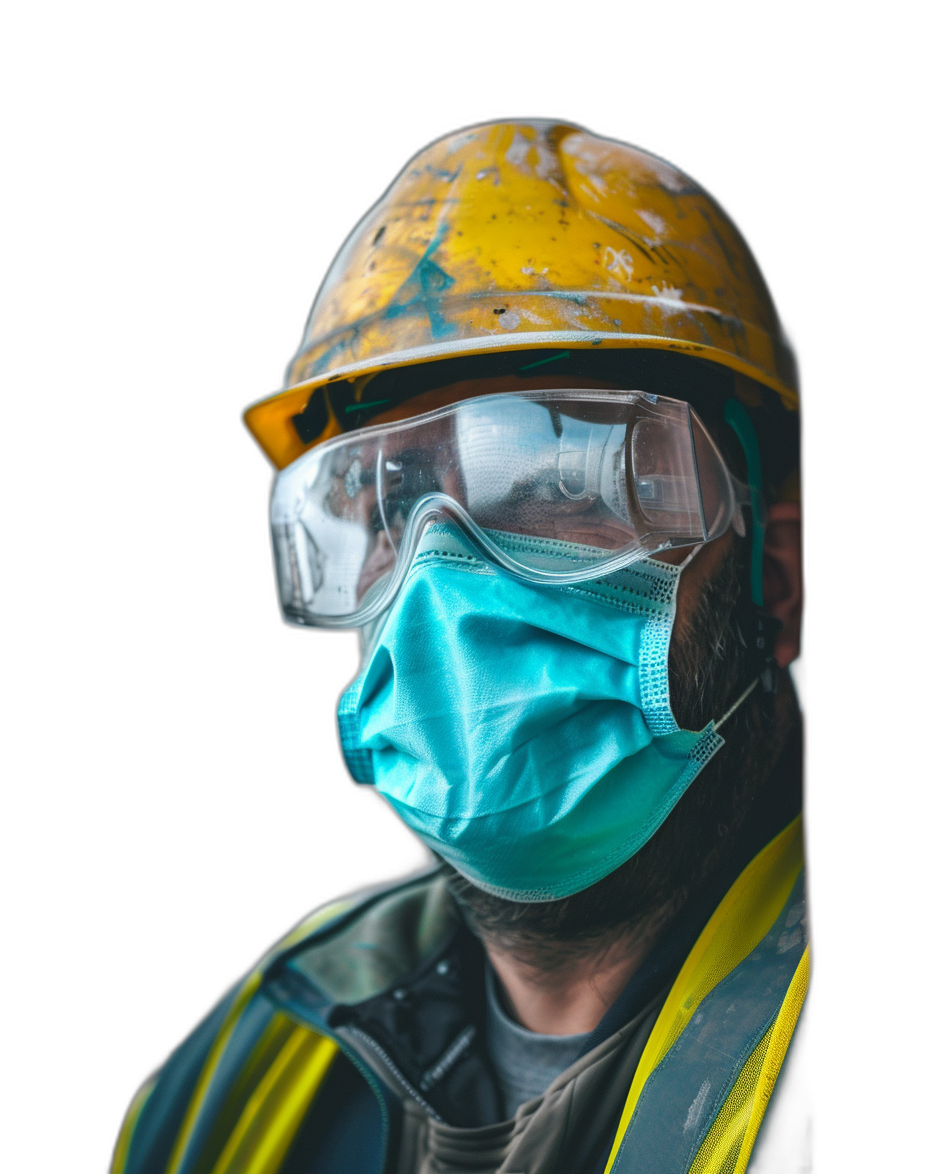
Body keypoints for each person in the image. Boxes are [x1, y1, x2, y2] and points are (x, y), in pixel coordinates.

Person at [112, 120, 808, 1174]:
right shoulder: (249, 1065)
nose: (441, 582)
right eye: (384, 504)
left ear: (777, 583)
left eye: (552, 482)